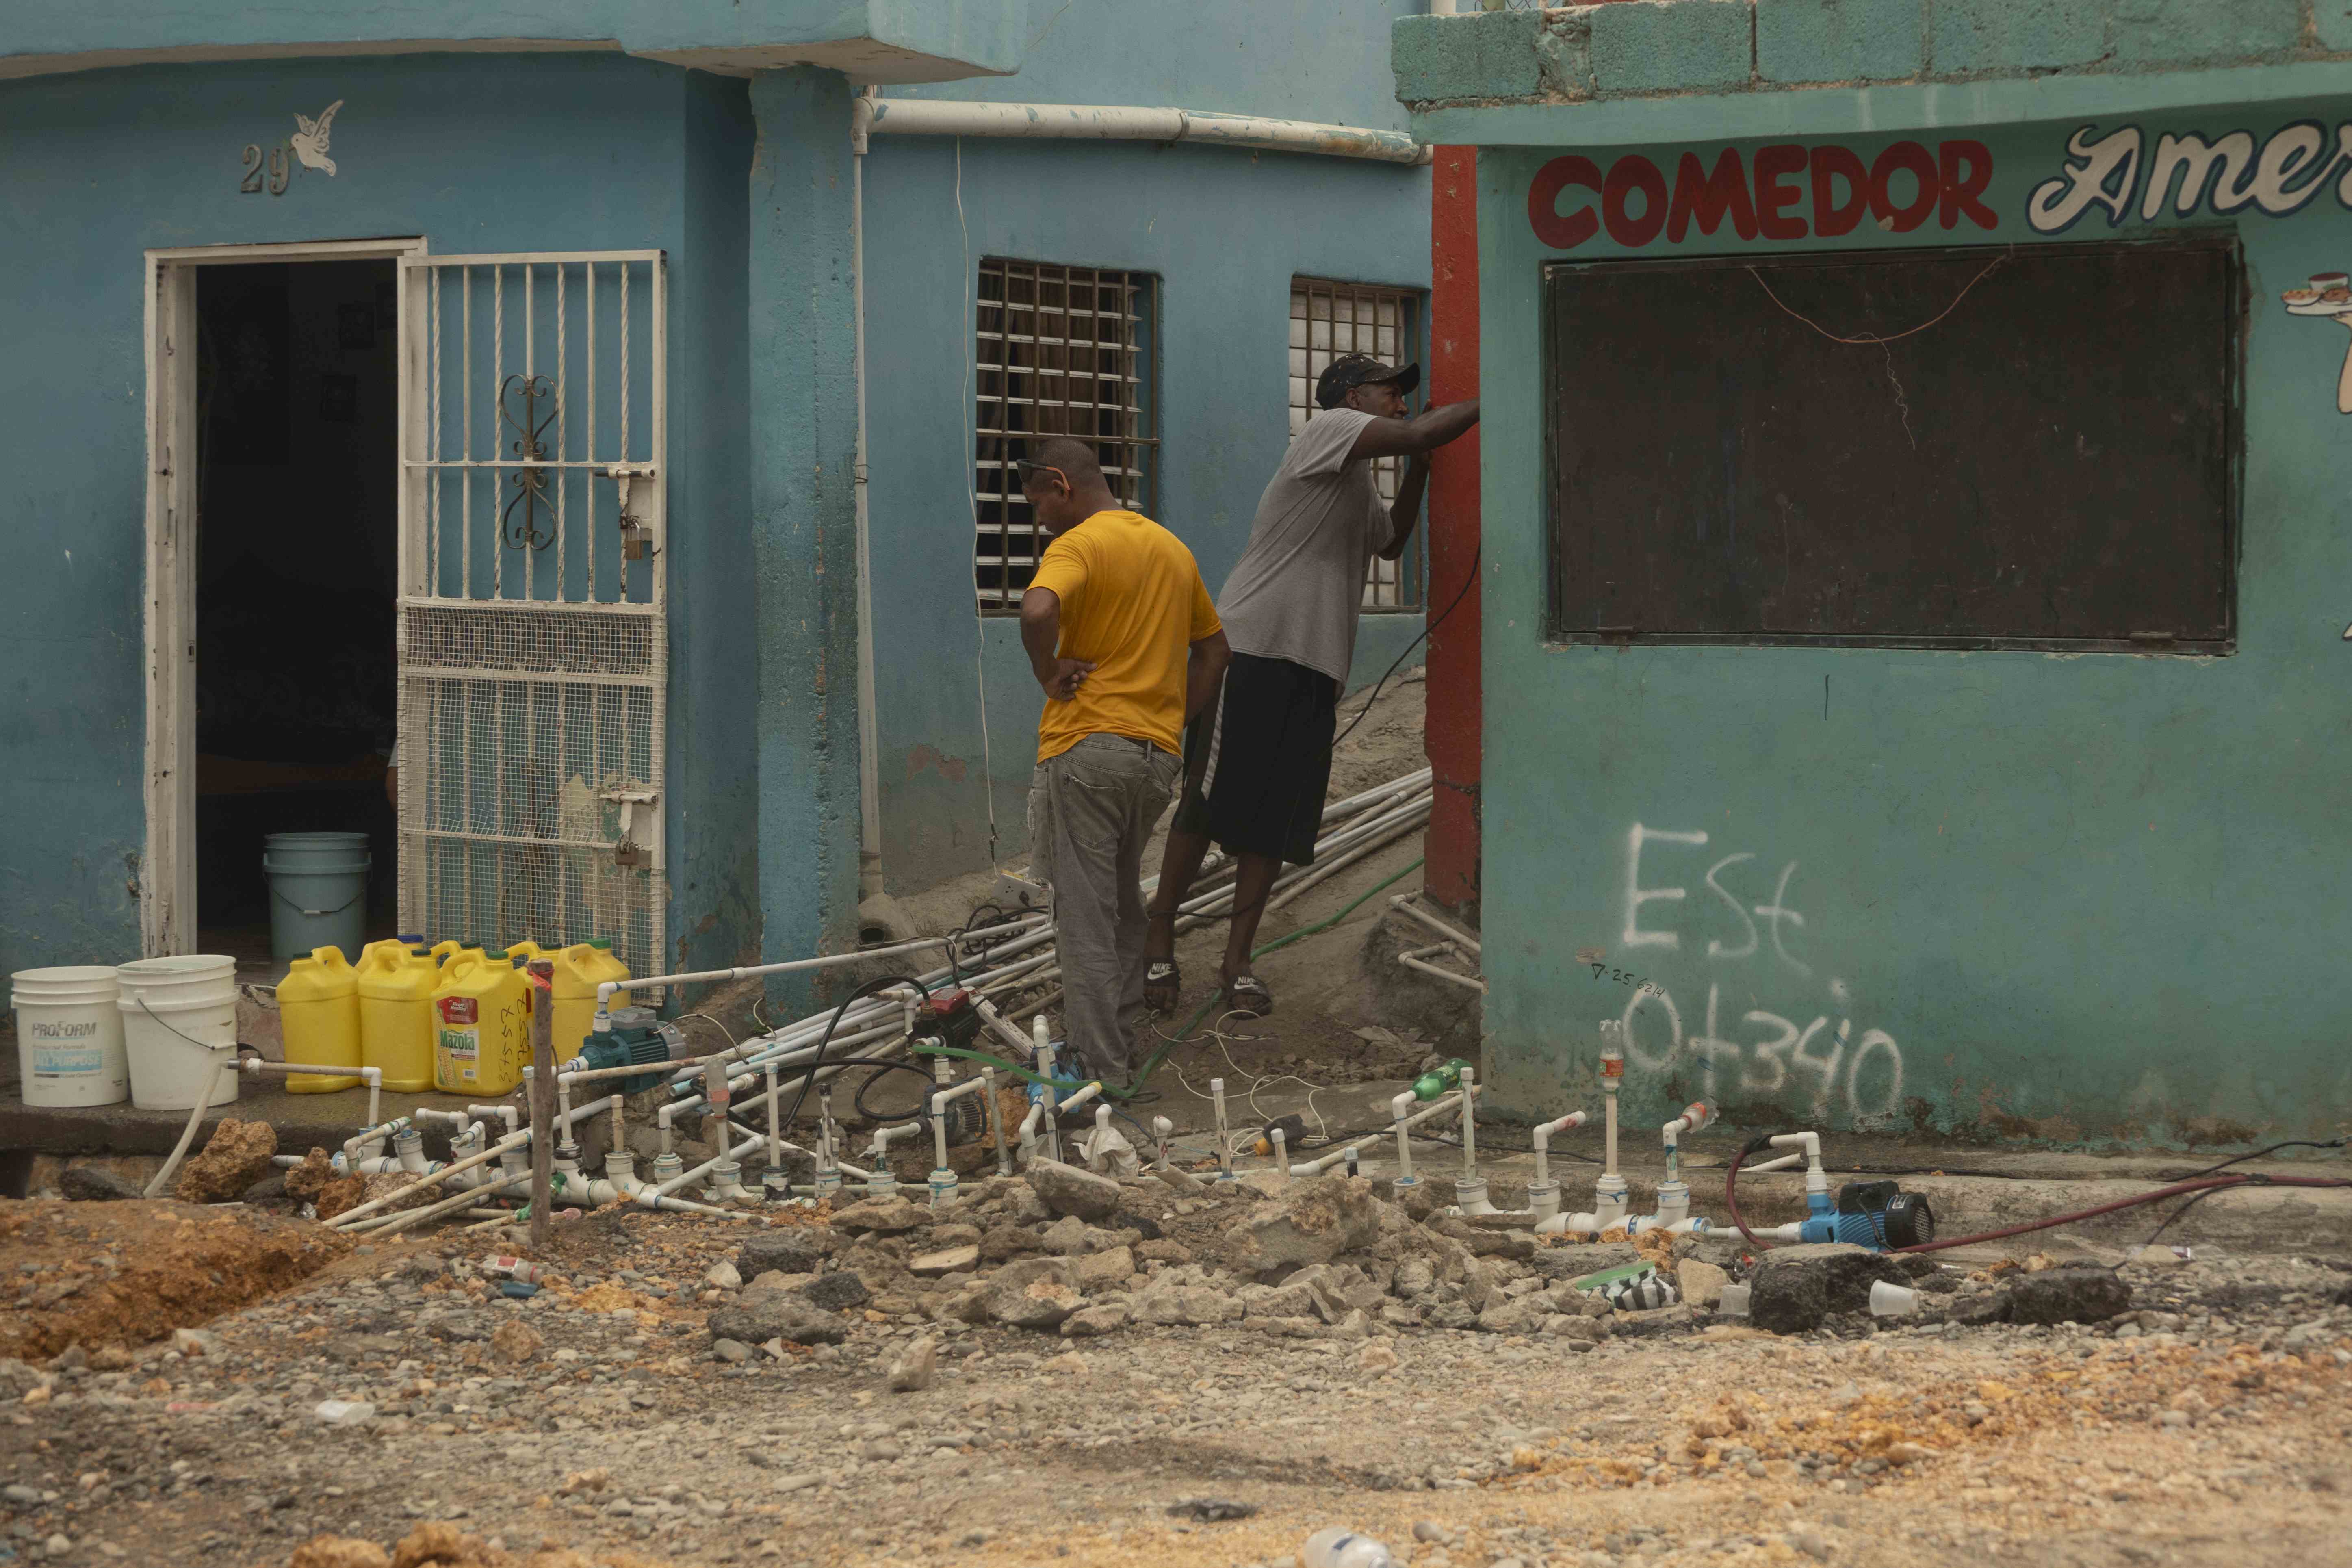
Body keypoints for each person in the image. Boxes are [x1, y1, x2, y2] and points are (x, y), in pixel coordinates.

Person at [1143, 354, 1479, 1017]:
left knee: (1274, 822)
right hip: (1253, 650)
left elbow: (1390, 543)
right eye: (1390, 390)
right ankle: (1157, 940)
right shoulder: (1326, 432)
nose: (1401, 403)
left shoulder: (1355, 484)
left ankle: (1237, 963)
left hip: (1315, 665)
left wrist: (1416, 474)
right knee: (1205, 807)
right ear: (1351, 397)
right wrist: (1496, 390)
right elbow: (1419, 434)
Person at [1018, 436, 1231, 1081]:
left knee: (1084, 916)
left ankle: (1101, 1077)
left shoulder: (1078, 544)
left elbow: (1037, 607)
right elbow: (1215, 652)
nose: (1040, 520)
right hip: (1152, 759)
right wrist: (1170, 718)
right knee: (1119, 902)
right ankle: (1122, 1041)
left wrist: (1048, 672)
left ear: (1062, 484)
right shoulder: (1171, 548)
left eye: (1040, 504)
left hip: (1086, 748)